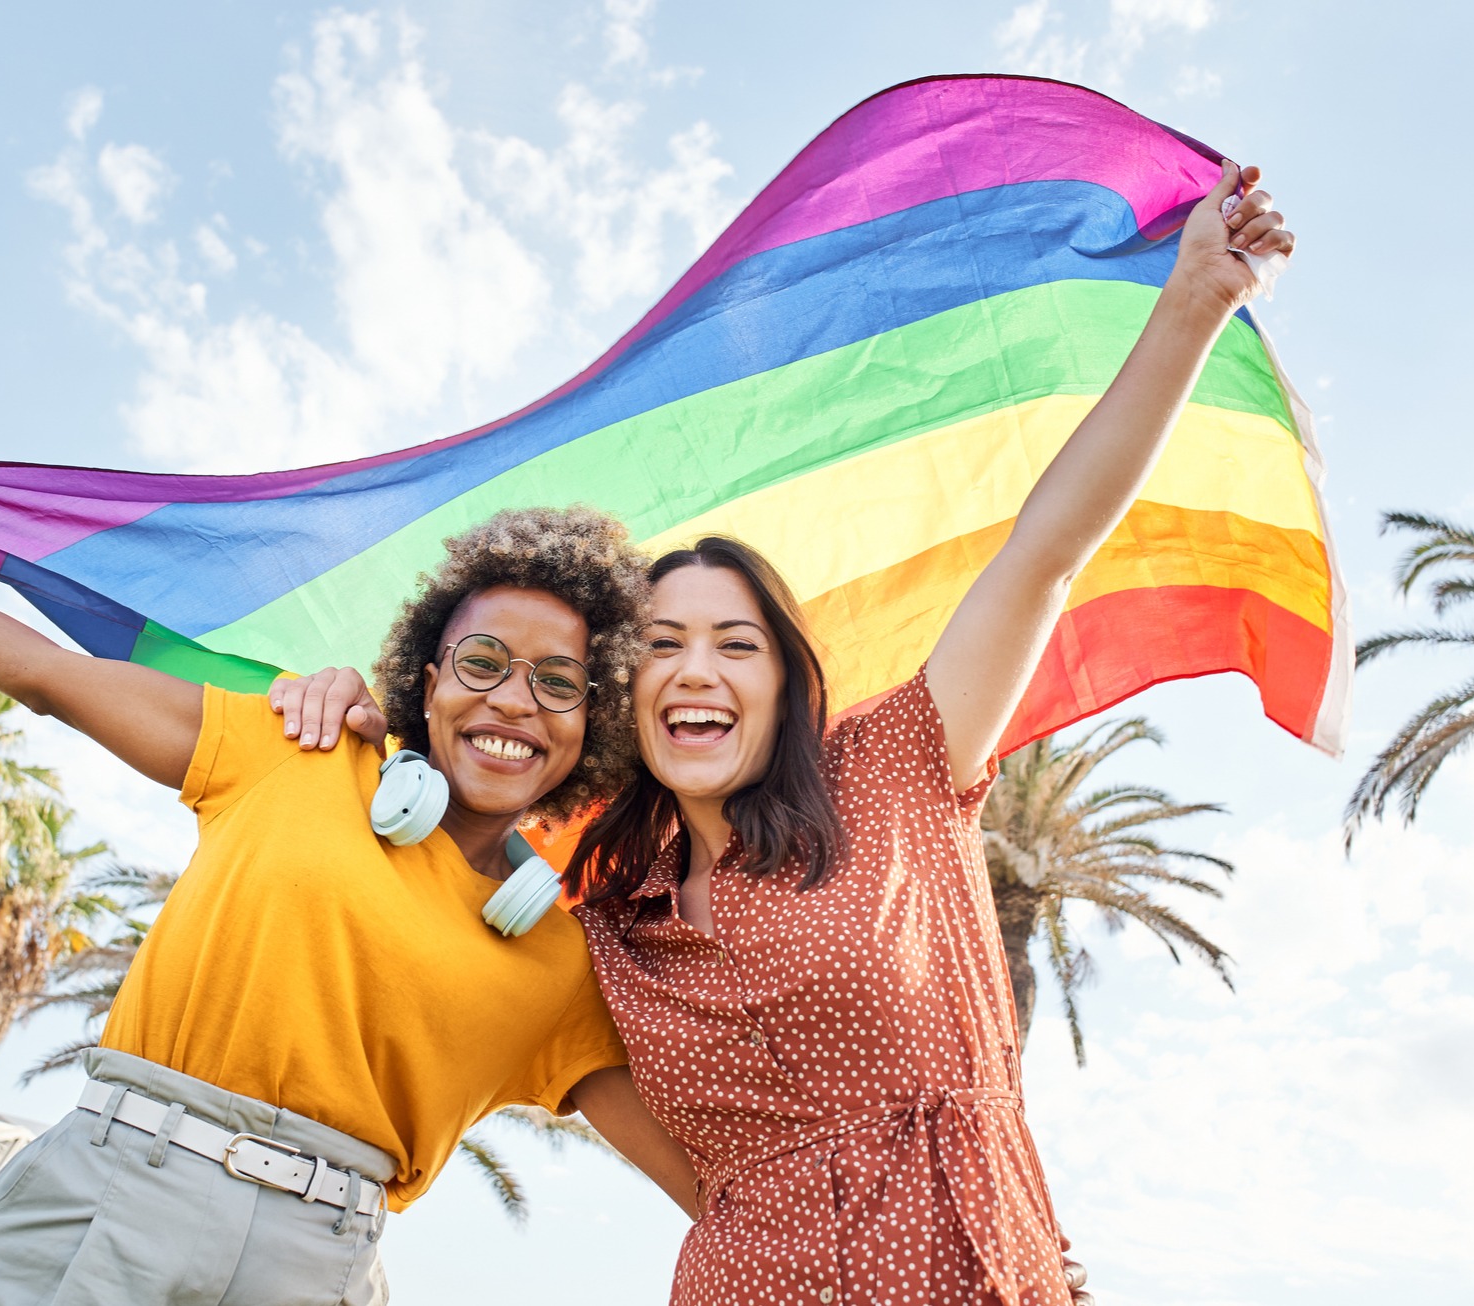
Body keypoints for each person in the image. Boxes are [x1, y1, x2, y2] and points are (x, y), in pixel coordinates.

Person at [281, 160, 1291, 1304]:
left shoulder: (897, 767)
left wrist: (1196, 300)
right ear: (624, 693)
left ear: (786, 684)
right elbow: (421, 892)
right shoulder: (608, 925)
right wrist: (365, 720)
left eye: (736, 643)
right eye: (661, 644)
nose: (696, 670)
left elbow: (1046, 551)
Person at [0, 491, 697, 1305]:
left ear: (594, 722)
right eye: (481, 663)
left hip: (315, 1266)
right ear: (427, 681)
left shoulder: (561, 963)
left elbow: (716, 1185)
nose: (513, 700)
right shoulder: (299, 751)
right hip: (109, 1192)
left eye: (557, 682)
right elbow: (47, 676)